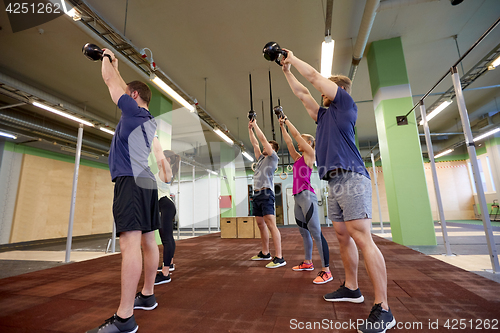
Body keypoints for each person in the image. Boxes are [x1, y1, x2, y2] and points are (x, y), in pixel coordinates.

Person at [281, 49, 396, 333]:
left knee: (361, 236)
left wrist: (293, 58)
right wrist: (285, 71)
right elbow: (302, 94)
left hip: (352, 177)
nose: (321, 94)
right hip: (333, 181)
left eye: (326, 90)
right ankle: (352, 288)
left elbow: (314, 78)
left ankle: (384, 307)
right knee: (343, 237)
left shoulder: (345, 104)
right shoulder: (323, 117)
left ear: (339, 90)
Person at [87, 48, 160, 333]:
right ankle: (148, 294)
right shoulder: (145, 116)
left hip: (130, 180)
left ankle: (125, 318)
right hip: (146, 181)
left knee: (129, 243)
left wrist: (105, 57)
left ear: (132, 97)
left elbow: (109, 82)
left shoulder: (131, 110)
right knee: (148, 240)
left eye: (125, 93)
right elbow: (119, 84)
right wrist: (118, 67)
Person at [278, 115, 332, 284]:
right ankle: (308, 262)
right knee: (304, 232)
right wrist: (281, 127)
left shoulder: (310, 155)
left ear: (308, 143)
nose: (298, 142)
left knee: (316, 232)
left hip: (307, 196)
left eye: (302, 140)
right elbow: (289, 142)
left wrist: (287, 120)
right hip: (297, 198)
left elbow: (295, 137)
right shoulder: (298, 158)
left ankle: (326, 270)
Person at [248, 119, 286, 268]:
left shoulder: (272, 158)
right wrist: (250, 128)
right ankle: (265, 253)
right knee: (260, 224)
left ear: (273, 150)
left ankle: (279, 257)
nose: (264, 148)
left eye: (267, 147)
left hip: (266, 194)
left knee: (271, 225)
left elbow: (262, 141)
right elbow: (256, 144)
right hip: (256, 194)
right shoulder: (261, 159)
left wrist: (256, 124)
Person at [151, 138, 180, 285]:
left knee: (166, 238)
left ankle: (165, 273)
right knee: (168, 237)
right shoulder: (163, 171)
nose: (157, 161)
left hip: (166, 206)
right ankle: (171, 264)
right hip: (165, 205)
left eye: (161, 159)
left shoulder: (166, 170)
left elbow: (157, 152)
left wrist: (153, 135)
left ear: (166, 159)